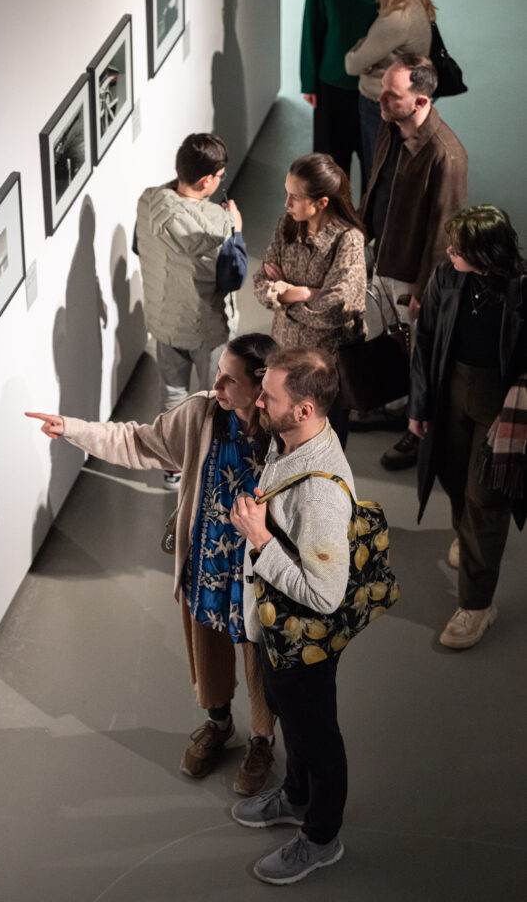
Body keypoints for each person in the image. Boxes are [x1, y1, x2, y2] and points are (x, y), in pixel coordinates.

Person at [25, 333, 280, 796]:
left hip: (259, 570)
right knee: (208, 649)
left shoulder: (283, 432)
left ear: (260, 388)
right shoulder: (202, 413)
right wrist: (73, 429)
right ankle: (219, 725)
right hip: (208, 563)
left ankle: (262, 741)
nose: (216, 385)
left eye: (229, 379)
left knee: (260, 656)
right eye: (218, 372)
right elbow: (139, 441)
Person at [229, 347, 353, 885]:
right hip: (277, 631)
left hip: (304, 642)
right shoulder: (292, 441)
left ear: (303, 409)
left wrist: (259, 540)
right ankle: (297, 796)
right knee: (290, 717)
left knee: (315, 738)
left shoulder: (321, 493)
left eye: (269, 397)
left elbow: (324, 596)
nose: (258, 402)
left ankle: (322, 838)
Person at [409, 206, 526, 649]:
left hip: (502, 406)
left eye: (459, 248)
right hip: (450, 393)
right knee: (454, 476)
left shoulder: (521, 289)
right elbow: (424, 340)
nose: (449, 252)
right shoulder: (448, 276)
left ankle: (477, 606)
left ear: (486, 252)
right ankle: (467, 535)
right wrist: (420, 404)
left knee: (487, 500)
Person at [354, 54, 468, 469]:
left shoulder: (446, 155)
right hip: (382, 257)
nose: (380, 99)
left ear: (421, 101)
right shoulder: (391, 128)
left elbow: (445, 230)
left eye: (392, 94)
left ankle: (418, 433)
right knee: (385, 339)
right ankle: (391, 406)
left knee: (420, 353)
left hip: (410, 274)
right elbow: (375, 188)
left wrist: (424, 289)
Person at [135, 133, 247, 484]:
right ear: (206, 181)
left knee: (173, 391)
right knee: (216, 396)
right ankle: (212, 466)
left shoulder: (148, 201)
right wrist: (237, 230)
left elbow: (141, 248)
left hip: (165, 322)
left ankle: (173, 465)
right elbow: (233, 277)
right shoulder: (219, 223)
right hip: (207, 327)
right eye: (220, 176)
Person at [252, 153, 367, 447]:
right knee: (280, 443)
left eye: (295, 197)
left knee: (322, 448)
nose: (286, 203)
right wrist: (300, 293)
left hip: (323, 371)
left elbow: (336, 308)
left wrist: (285, 298)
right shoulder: (286, 226)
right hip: (283, 360)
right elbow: (260, 283)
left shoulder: (348, 239)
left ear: (322, 202)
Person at [300, 0, 378, 185]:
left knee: (375, 167)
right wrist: (309, 82)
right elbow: (312, 28)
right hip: (332, 82)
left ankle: (370, 215)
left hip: (375, 84)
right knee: (330, 169)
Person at [345, 0, 434, 182]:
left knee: (378, 176)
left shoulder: (397, 19)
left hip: (380, 105)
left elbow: (352, 64)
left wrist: (362, 47)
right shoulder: (415, 0)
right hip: (402, 102)